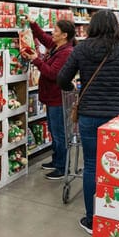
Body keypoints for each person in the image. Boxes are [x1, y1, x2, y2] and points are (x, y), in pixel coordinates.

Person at [57, 10, 119, 235]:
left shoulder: (81, 49)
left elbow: (62, 79)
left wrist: (74, 90)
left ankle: (92, 219)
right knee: (117, 166)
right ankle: (116, 214)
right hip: (117, 118)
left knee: (91, 165)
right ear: (115, 27)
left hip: (88, 116)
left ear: (92, 27)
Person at [21, 18, 75, 180]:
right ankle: (56, 160)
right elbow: (43, 37)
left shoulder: (66, 52)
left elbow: (53, 74)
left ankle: (61, 167)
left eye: (56, 31)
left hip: (58, 99)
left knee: (59, 134)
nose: (53, 32)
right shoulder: (57, 46)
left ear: (64, 35)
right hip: (51, 98)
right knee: (54, 131)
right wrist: (32, 24)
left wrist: (35, 60)